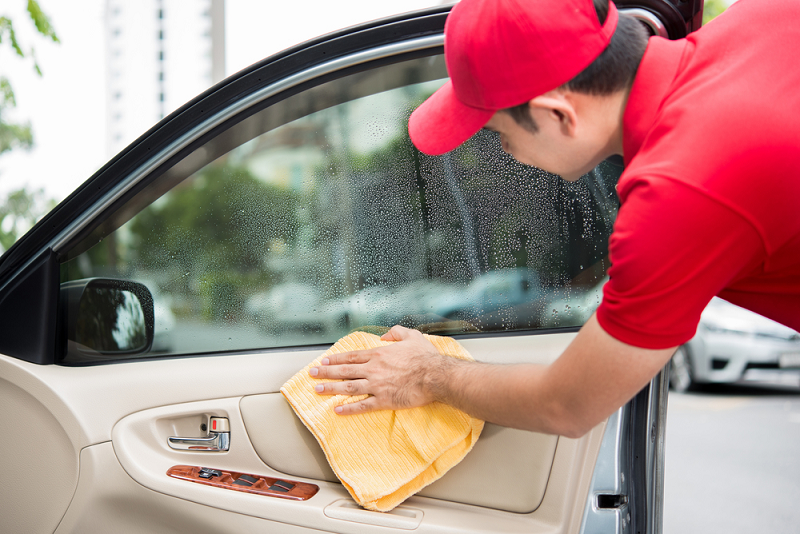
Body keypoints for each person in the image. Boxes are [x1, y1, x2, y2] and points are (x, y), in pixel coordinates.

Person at [308, 0, 800, 437]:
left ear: (558, 115)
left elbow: (566, 405)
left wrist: (428, 374)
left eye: (498, 131)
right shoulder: (761, 17)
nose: (502, 150)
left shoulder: (677, 194)